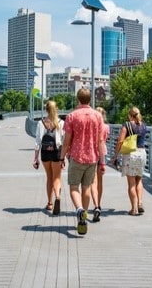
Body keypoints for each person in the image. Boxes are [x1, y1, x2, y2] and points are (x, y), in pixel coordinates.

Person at [60, 88, 106, 235]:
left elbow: (66, 141)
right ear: (90, 100)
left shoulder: (72, 116)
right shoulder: (98, 116)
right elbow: (100, 141)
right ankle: (84, 218)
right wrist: (103, 161)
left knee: (74, 187)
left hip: (76, 156)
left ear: (77, 99)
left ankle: (79, 210)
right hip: (92, 157)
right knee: (86, 188)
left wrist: (62, 157)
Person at [111, 106, 148, 216]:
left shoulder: (126, 125)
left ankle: (134, 209)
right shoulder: (144, 125)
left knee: (131, 183)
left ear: (130, 115)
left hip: (130, 154)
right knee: (139, 180)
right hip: (142, 153)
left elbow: (120, 142)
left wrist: (115, 156)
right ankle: (140, 203)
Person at [33, 100, 64, 215]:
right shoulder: (61, 123)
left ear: (46, 109)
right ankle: (57, 196)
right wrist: (64, 156)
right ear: (56, 109)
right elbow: (64, 140)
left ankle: (50, 203)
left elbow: (37, 142)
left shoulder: (41, 123)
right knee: (57, 178)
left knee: (49, 177)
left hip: (45, 153)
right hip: (57, 152)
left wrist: (35, 158)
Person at [91, 106, 110, 222]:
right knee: (100, 182)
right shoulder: (106, 127)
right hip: (102, 154)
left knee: (93, 181)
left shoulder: (92, 126)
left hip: (93, 153)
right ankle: (99, 202)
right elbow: (105, 139)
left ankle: (95, 205)